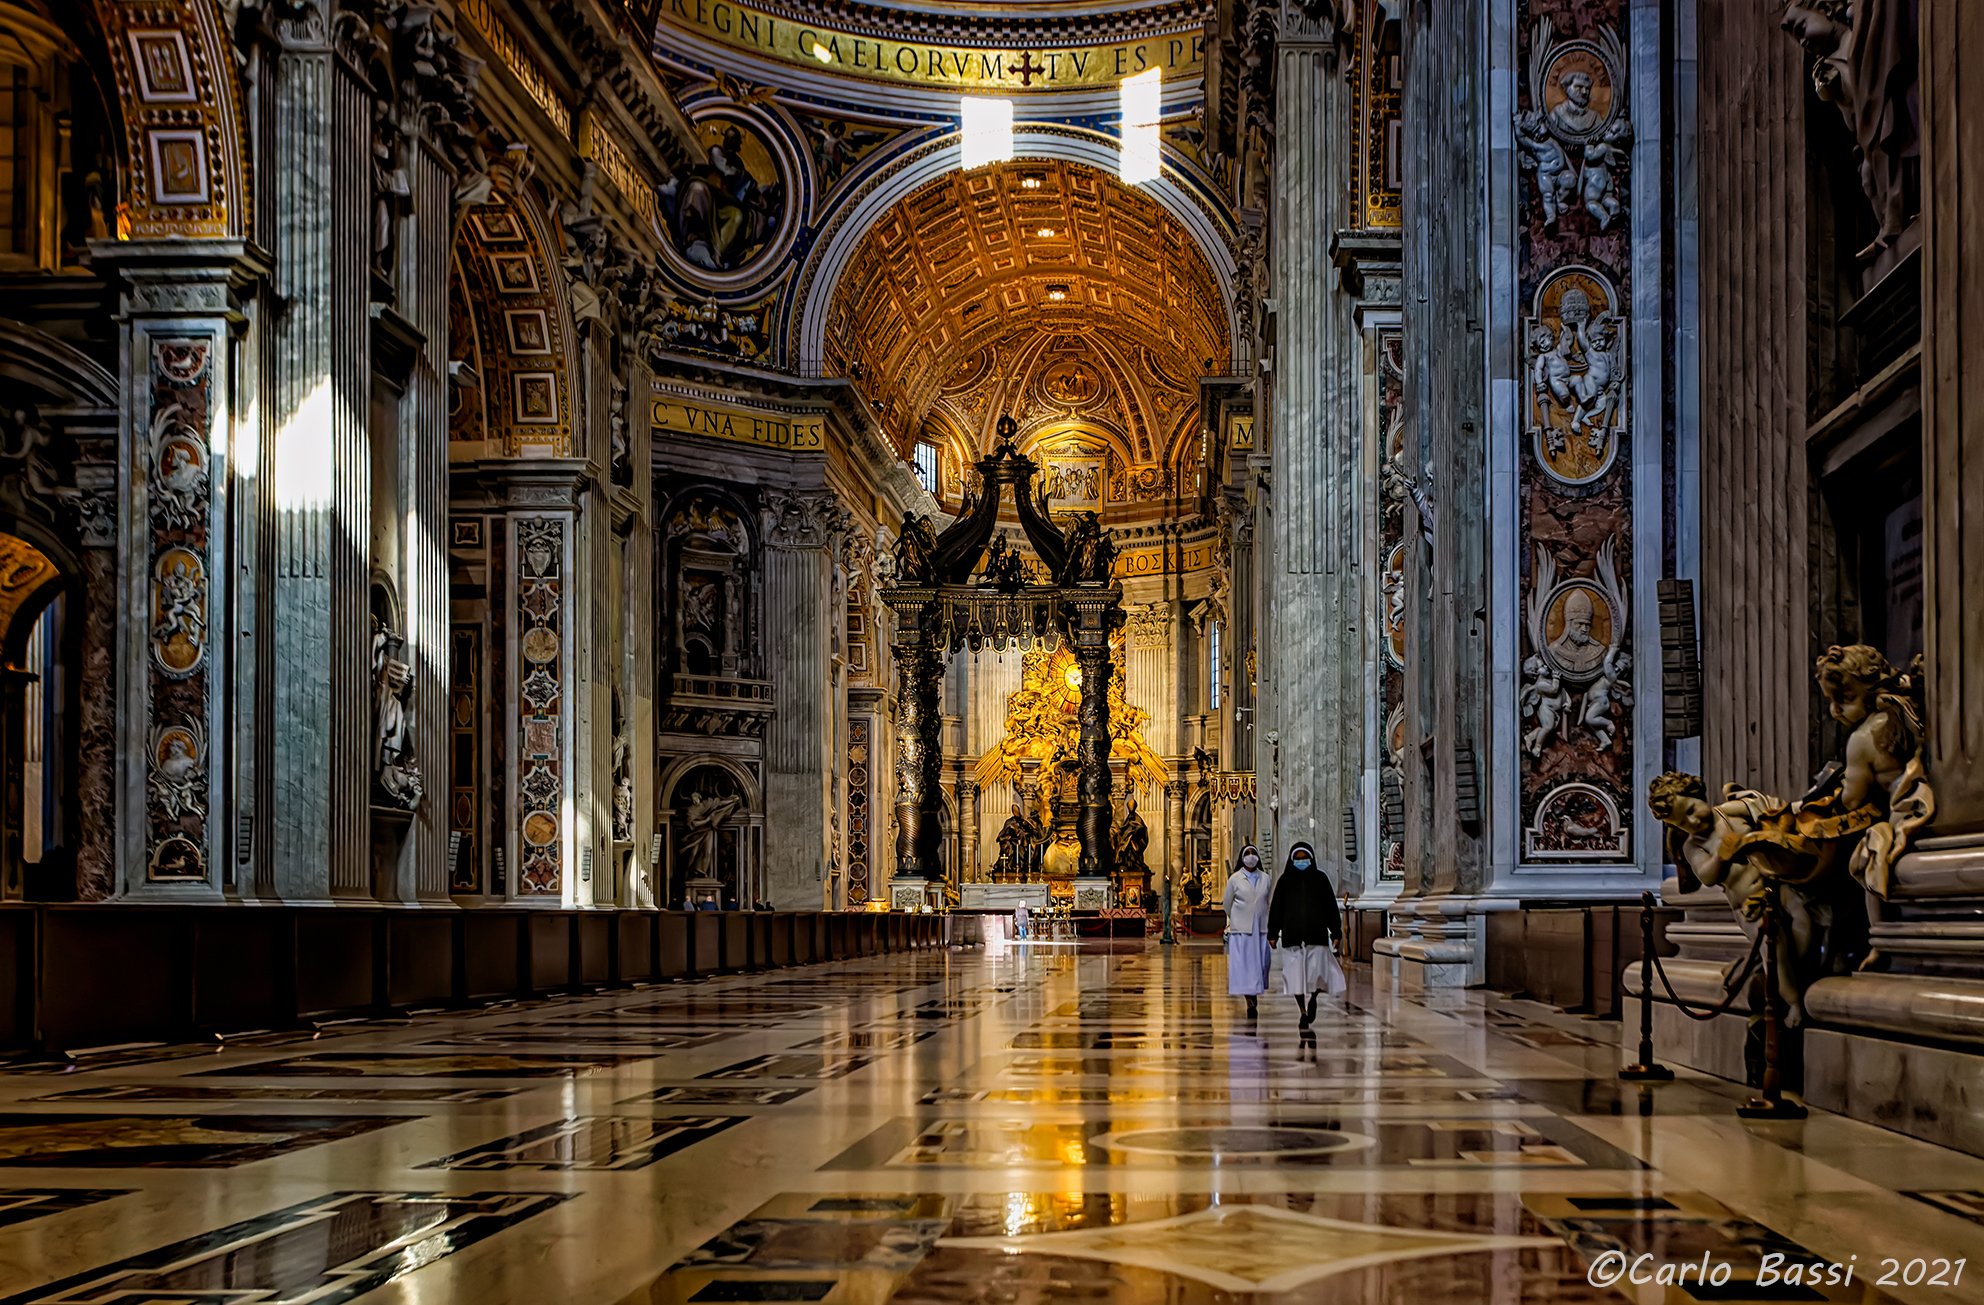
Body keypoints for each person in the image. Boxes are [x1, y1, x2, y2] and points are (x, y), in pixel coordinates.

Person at [1266, 840, 1345, 1030]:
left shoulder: (1320, 879)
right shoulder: (1284, 881)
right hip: (1292, 938)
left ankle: (1314, 997)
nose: (1302, 861)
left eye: (1305, 858)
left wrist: (1336, 931)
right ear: (1292, 860)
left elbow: (1330, 907)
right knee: (1295, 979)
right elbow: (1276, 908)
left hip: (1316, 936)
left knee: (1317, 975)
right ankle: (1302, 1011)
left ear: (1311, 858)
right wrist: (1273, 933)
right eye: (1298, 858)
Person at [1221, 844, 1273, 1018]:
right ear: (1242, 857)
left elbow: (1269, 901)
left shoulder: (1265, 878)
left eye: (1253, 853)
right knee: (1245, 966)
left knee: (1261, 964)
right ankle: (1249, 1000)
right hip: (1242, 930)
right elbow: (1227, 903)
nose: (1251, 856)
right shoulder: (1235, 879)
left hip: (1262, 927)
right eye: (1247, 853)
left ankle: (1254, 992)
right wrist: (1236, 918)